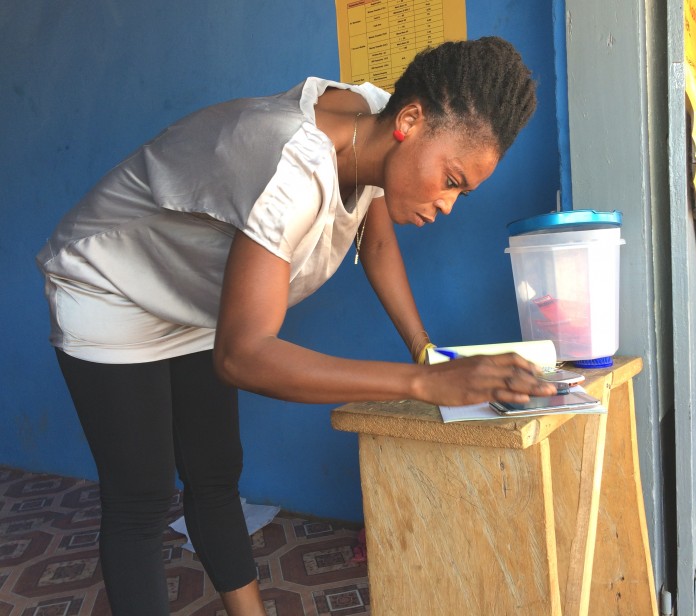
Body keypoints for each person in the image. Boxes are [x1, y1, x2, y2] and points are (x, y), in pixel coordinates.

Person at [36, 36, 556, 616]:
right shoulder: (291, 168)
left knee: (214, 474)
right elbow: (243, 356)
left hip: (193, 296)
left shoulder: (380, 120)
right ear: (411, 121)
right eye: (452, 179)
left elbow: (375, 236)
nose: (448, 204)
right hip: (111, 282)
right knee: (143, 497)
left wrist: (424, 350)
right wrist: (422, 386)